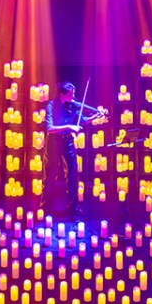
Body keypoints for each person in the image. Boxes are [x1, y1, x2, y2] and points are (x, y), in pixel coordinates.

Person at [43, 81, 101, 216]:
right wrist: (69, 126)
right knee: (50, 174)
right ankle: (45, 207)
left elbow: (83, 121)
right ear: (61, 94)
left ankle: (73, 208)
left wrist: (96, 116)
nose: (73, 97)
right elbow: (50, 128)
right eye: (70, 94)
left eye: (73, 94)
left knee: (73, 173)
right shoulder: (51, 106)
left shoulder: (73, 105)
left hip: (67, 141)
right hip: (53, 142)